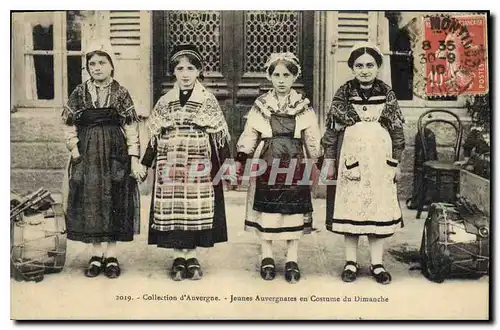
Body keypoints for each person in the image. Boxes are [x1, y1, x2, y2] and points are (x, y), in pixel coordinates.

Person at [141, 44, 231, 281]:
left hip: (198, 162)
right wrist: (144, 163)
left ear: (199, 71)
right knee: (174, 209)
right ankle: (177, 259)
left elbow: (219, 136)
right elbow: (155, 136)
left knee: (194, 208)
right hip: (169, 162)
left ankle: (191, 257)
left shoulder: (207, 100)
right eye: (180, 68)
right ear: (174, 72)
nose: (185, 73)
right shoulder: (164, 102)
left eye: (190, 68)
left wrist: (227, 166)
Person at [321, 42, 405, 285]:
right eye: (359, 65)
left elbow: (397, 131)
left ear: (378, 67)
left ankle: (377, 264)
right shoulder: (344, 93)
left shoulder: (387, 93)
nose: (365, 70)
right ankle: (350, 261)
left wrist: (396, 162)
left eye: (370, 65)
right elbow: (332, 131)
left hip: (380, 161)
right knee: (351, 211)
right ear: (352, 68)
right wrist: (330, 160)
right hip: (351, 160)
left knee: (377, 211)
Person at [61, 41, 146, 279]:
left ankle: (111, 256)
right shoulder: (79, 92)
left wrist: (133, 157)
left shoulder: (120, 92)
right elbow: (69, 125)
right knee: (91, 199)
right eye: (92, 64)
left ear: (111, 65)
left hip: (114, 151)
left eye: (102, 63)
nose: (96, 68)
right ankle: (95, 255)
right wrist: (75, 151)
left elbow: (130, 128)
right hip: (87, 152)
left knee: (114, 197)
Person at [235, 52, 322, 283]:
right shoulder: (262, 104)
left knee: (293, 210)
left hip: (295, 161)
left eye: (286, 75)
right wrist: (241, 157)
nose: (281, 80)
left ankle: (292, 258)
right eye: (276, 75)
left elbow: (312, 138)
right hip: (267, 160)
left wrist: (319, 160)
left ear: (294, 77)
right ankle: (267, 257)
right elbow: (250, 133)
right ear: (270, 77)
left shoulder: (302, 105)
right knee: (267, 211)